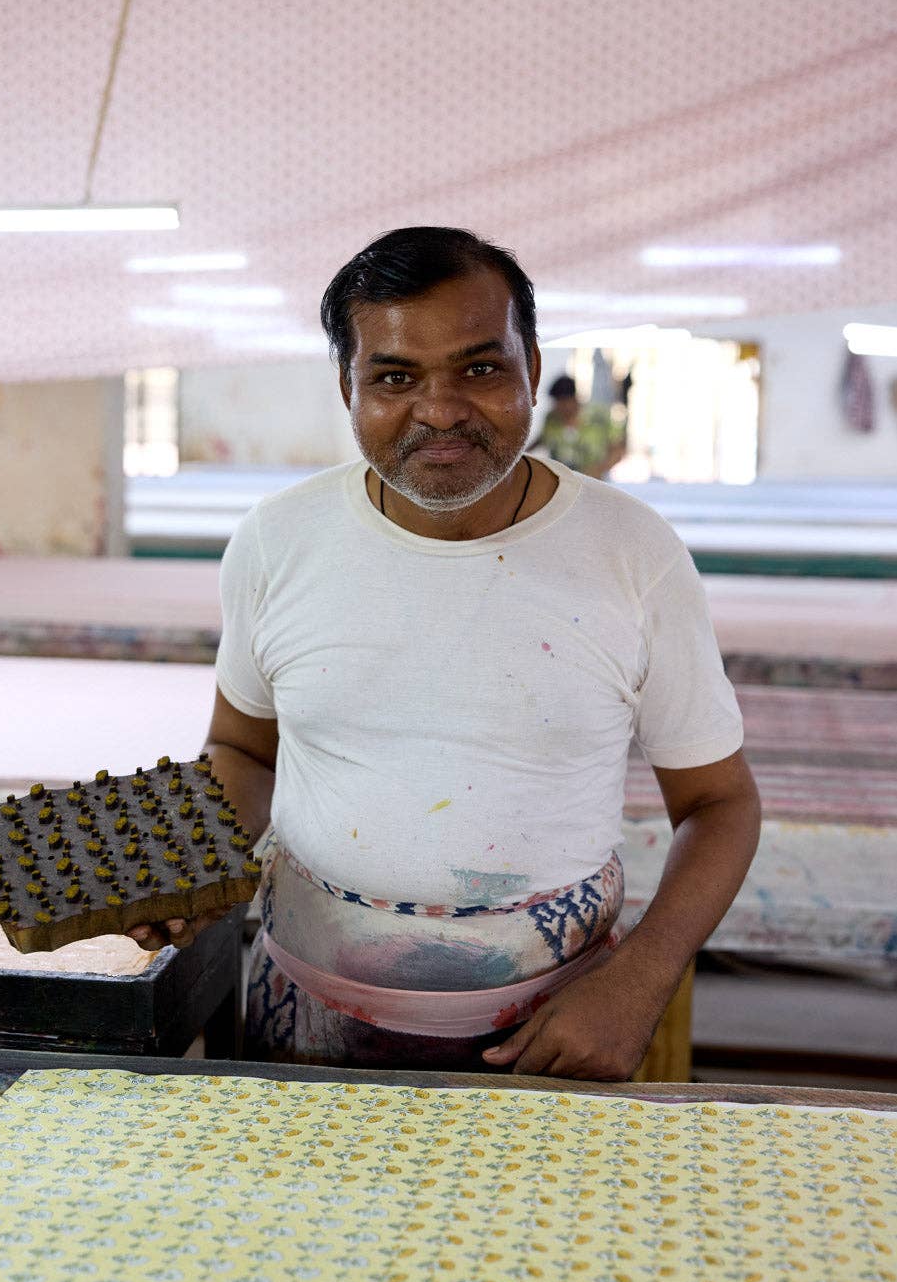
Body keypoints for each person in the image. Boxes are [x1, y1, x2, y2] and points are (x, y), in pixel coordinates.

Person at [129, 226, 760, 1079]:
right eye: (393, 377)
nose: (438, 410)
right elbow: (244, 749)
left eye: (479, 368)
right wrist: (184, 860)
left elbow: (718, 804)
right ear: (345, 386)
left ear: (530, 366)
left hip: (552, 1035)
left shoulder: (631, 555)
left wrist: (639, 979)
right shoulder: (278, 543)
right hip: (301, 1019)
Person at [536, 372, 627, 479]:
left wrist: (598, 469)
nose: (559, 408)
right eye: (556, 403)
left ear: (573, 399)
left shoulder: (598, 417)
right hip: (560, 482)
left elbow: (618, 448)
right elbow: (543, 438)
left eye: (562, 403)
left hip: (593, 482)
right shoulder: (551, 418)